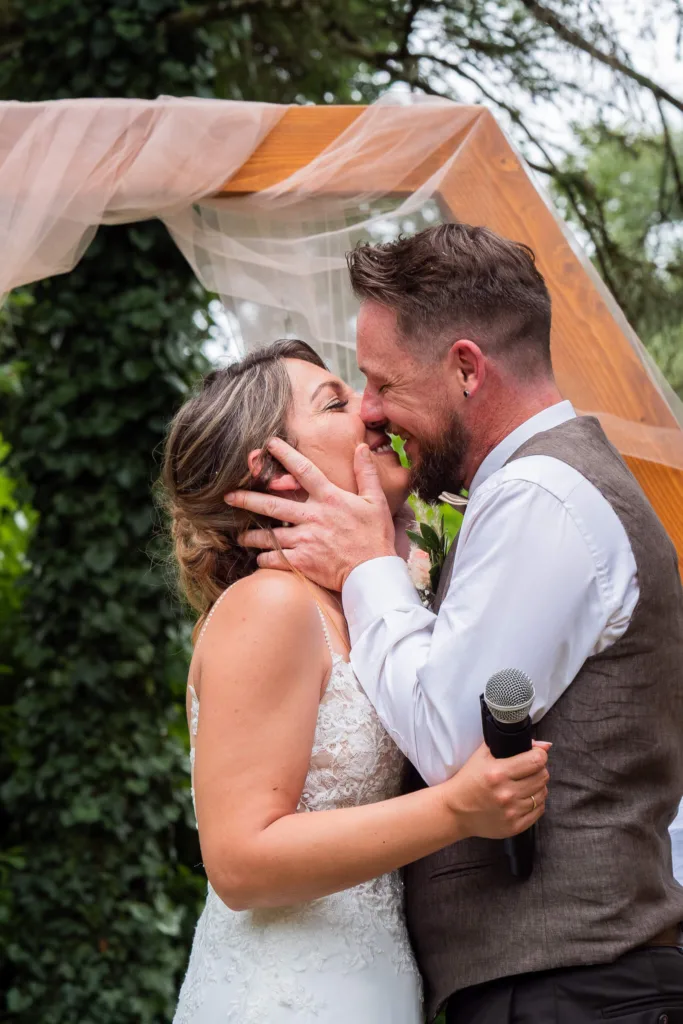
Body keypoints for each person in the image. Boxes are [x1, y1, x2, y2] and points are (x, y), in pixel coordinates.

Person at [229, 225, 683, 1023]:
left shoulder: (542, 493)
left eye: (380, 384)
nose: (373, 412)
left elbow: (448, 740)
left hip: (575, 990)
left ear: (467, 368)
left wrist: (370, 563)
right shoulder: (517, 495)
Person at [163, 339, 549, 1024]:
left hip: (377, 985)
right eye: (336, 403)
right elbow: (239, 862)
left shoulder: (368, 603)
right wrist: (457, 809)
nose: (373, 412)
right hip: (284, 997)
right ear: (274, 469)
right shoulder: (270, 607)